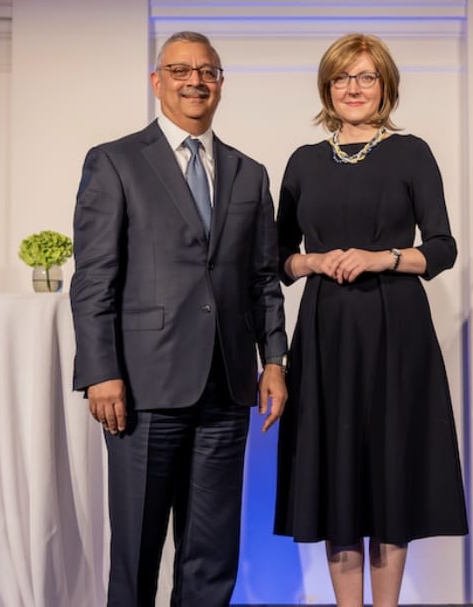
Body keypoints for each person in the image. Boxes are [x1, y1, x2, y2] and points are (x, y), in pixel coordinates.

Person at [70, 31, 288, 607]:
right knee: (137, 552)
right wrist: (100, 371)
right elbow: (93, 277)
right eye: (180, 70)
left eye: (207, 71)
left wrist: (274, 360)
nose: (195, 81)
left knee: (211, 558)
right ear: (157, 81)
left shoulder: (249, 172)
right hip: (143, 388)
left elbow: (263, 278)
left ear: (220, 83)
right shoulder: (115, 161)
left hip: (227, 386)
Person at [273, 33, 468, 607]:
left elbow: (443, 248)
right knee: (337, 473)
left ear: (385, 86)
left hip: (395, 330)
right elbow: (277, 257)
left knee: (388, 472)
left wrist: (382, 258)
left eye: (365, 77)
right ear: (327, 88)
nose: (353, 88)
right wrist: (313, 261)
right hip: (325, 331)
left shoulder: (412, 153)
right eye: (342, 78)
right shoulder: (303, 161)